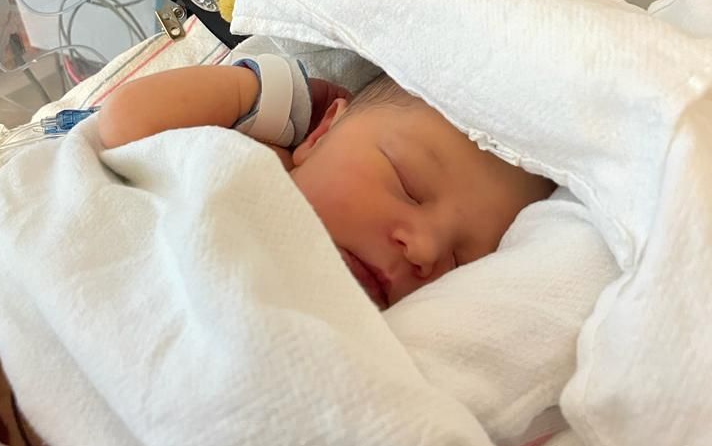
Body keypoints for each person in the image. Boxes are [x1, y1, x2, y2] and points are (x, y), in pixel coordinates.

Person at [98, 55, 555, 309]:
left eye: (462, 260)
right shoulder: (254, 167)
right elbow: (124, 124)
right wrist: (264, 95)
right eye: (408, 187)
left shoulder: (395, 335)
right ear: (319, 135)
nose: (425, 249)